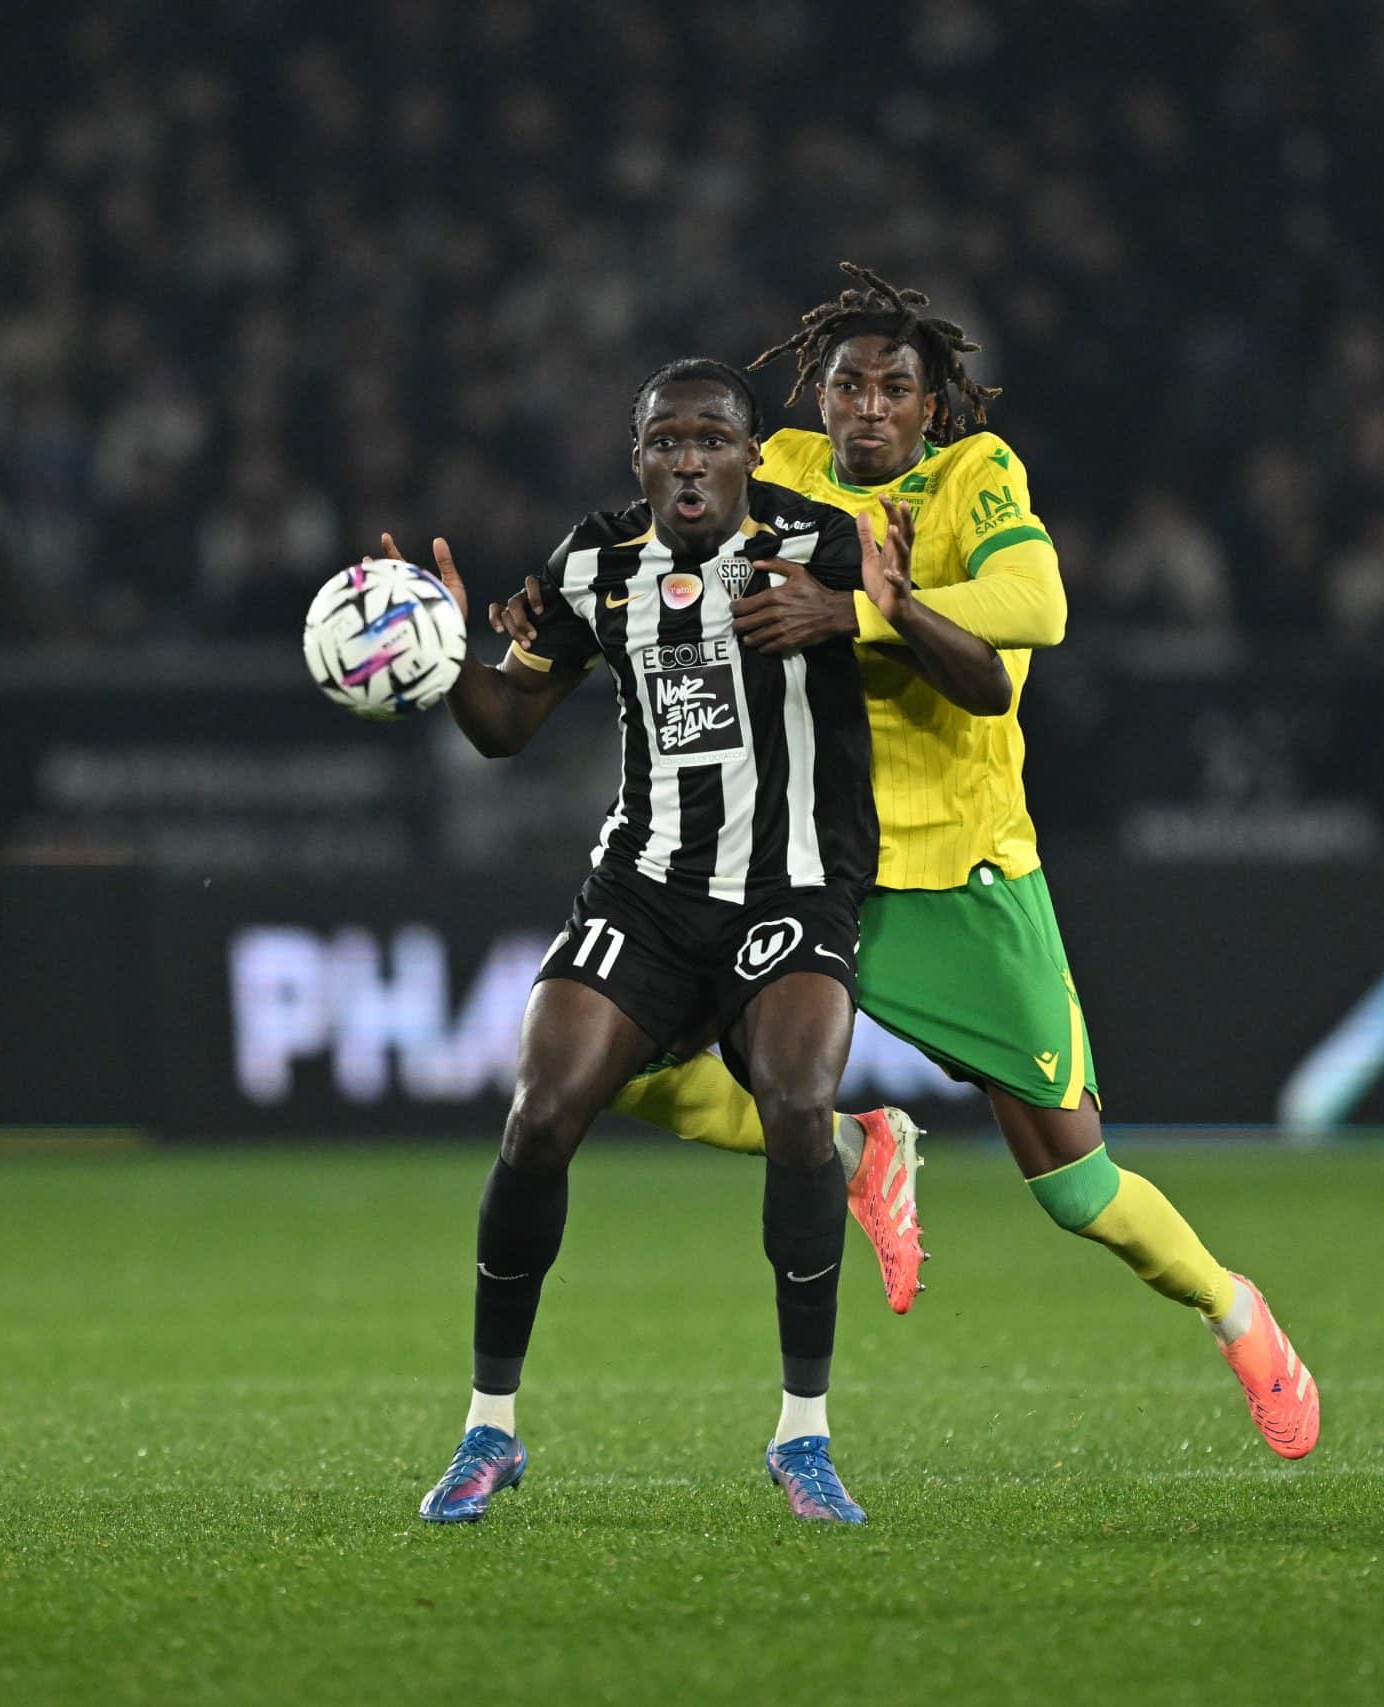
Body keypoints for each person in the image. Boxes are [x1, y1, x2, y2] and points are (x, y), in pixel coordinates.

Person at [500, 266, 1319, 1459]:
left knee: (1076, 1189)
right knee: (596, 1069)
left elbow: (1035, 607)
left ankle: (1233, 1309)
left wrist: (863, 613)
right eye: (847, 385)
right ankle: (853, 1146)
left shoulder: (973, 480)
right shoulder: (776, 469)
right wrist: (545, 607)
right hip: (796, 864)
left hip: (961, 878)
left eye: (895, 387)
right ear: (818, 398)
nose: (868, 407)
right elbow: (648, 539)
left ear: (934, 406)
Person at [406, 358, 1003, 1527]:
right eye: (666, 441)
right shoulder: (591, 564)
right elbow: (504, 728)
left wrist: (880, 605)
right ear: (638, 459)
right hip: (645, 890)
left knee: (793, 1102)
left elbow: (983, 685)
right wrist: (432, 657)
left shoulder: (821, 542)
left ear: (748, 452)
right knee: (542, 1108)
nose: (690, 459)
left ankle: (803, 1436)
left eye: (714, 439)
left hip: (794, 885)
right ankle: (490, 1428)